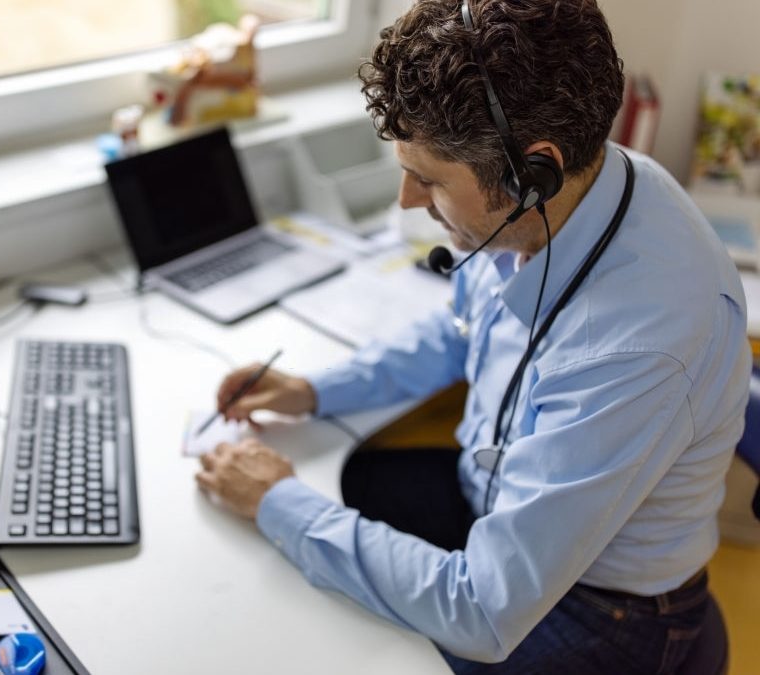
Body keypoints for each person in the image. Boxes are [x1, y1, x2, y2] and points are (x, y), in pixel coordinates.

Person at [193, 0, 750, 672]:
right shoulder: (557, 192)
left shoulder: (639, 344)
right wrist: (315, 391)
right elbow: (462, 328)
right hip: (493, 505)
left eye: (427, 179)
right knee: (328, 519)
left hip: (604, 615)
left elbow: (484, 610)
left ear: (532, 169)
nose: (406, 200)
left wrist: (279, 502)